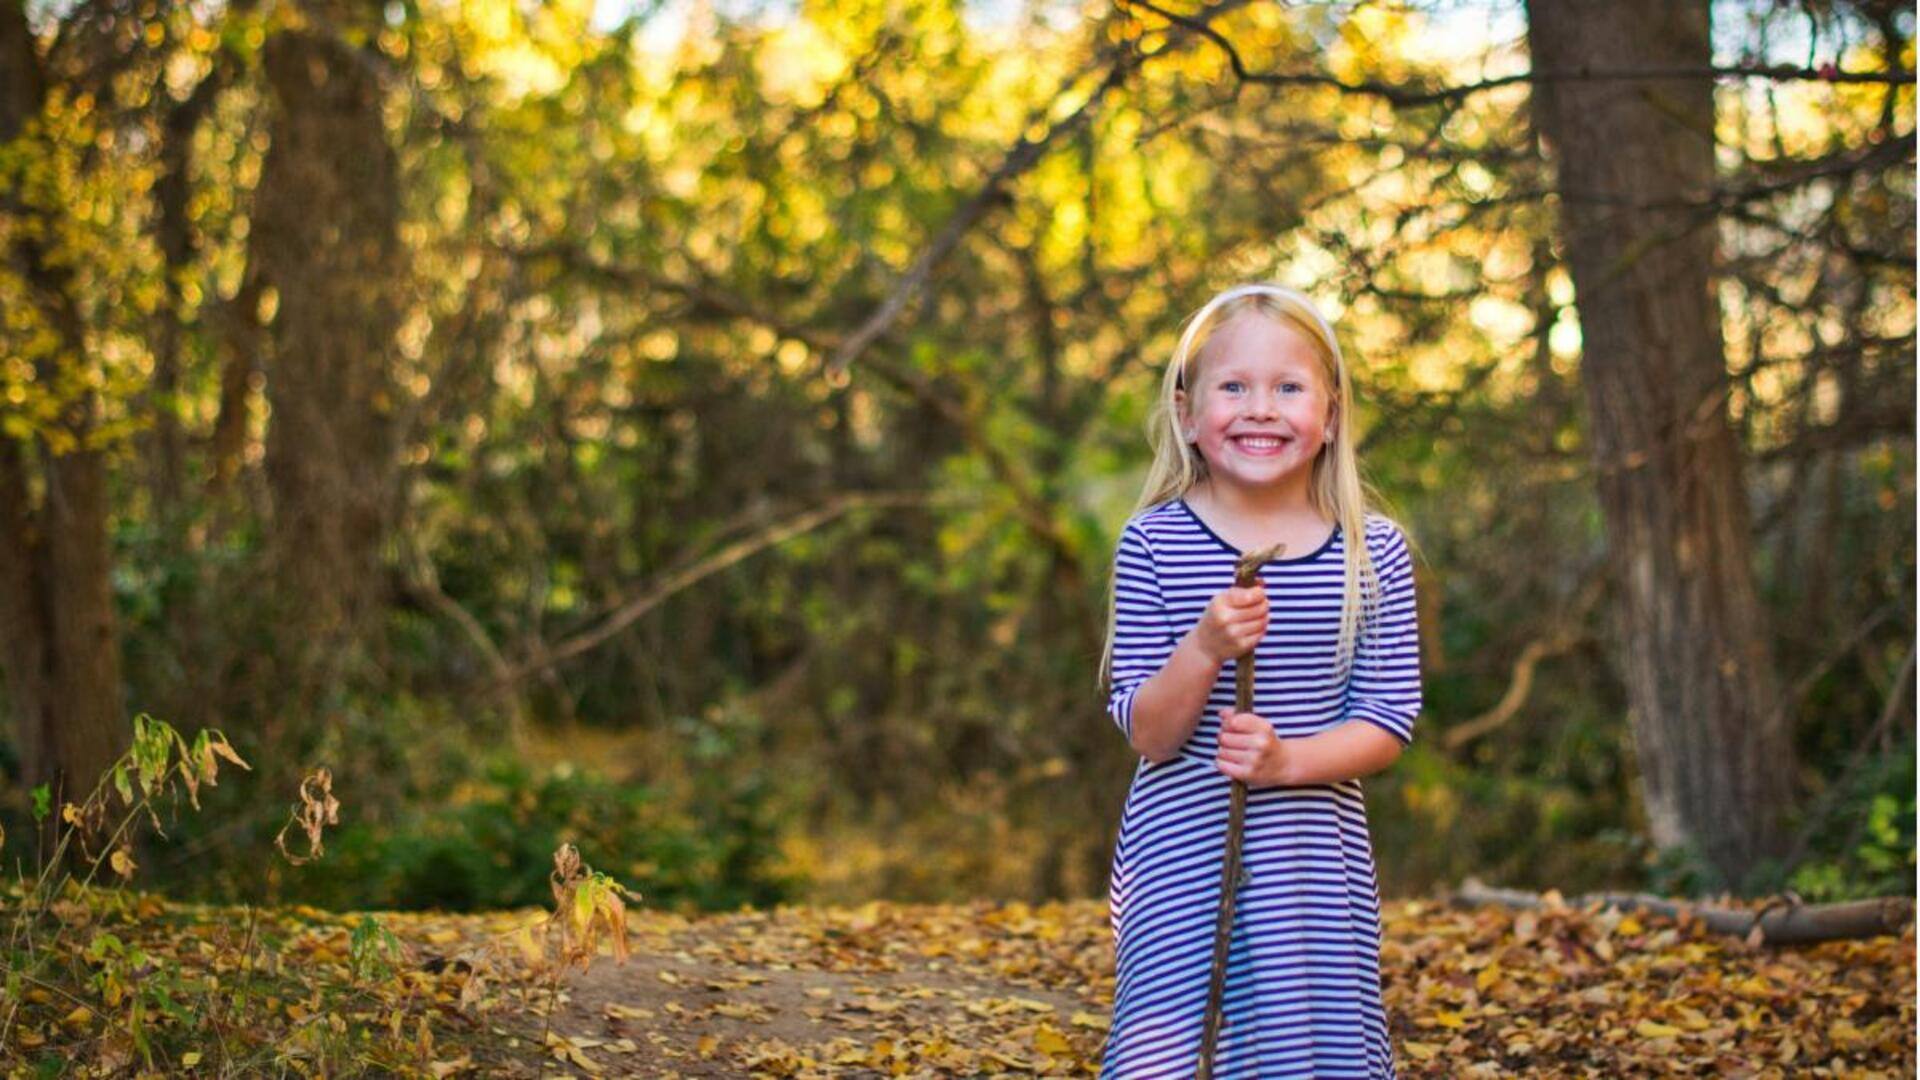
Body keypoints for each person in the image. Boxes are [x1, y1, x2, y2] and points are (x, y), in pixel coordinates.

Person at [1096, 282, 1424, 1078]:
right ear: (1187, 413)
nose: (1261, 409)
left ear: (1332, 414)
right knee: (1169, 1048)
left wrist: (1287, 763)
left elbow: (1388, 718)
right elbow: (1150, 732)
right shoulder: (1154, 542)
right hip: (1181, 851)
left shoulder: (1369, 552)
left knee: (1302, 1052)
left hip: (1310, 859)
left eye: (1288, 387)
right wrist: (1205, 647)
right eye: (1234, 386)